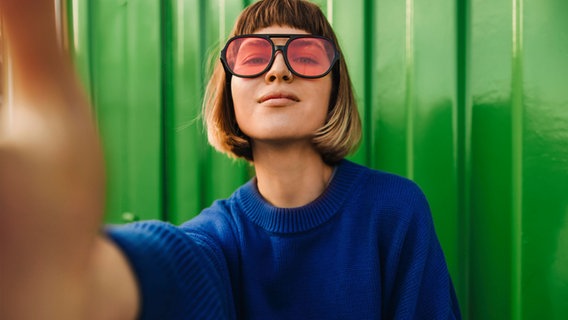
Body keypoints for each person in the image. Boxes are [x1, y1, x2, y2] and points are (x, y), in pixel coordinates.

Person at [0, 0, 461, 319]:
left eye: (305, 55)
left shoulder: (395, 211)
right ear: (229, 93)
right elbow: (166, 268)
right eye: (254, 55)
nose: (279, 69)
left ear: (334, 88)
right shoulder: (216, 240)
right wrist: (75, 270)